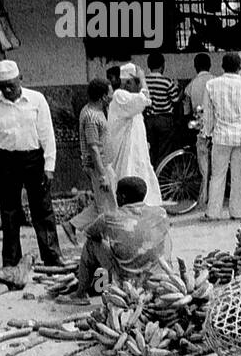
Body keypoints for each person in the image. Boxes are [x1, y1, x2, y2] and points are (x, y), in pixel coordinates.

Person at [0, 60, 63, 268]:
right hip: (6, 161)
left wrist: (49, 167)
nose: (8, 90)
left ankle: (52, 256)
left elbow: (47, 134)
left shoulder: (37, 99)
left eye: (11, 85)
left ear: (20, 79)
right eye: (3, 87)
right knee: (9, 212)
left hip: (34, 159)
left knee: (42, 210)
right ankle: (11, 260)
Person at [67, 176, 171, 300]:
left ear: (122, 197)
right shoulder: (161, 213)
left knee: (91, 244)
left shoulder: (109, 217)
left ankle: (81, 295)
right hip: (157, 277)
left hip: (128, 281)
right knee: (163, 237)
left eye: (117, 195)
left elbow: (90, 234)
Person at [201, 52, 241, 220]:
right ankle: (238, 211)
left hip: (220, 137)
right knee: (238, 176)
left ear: (222, 66)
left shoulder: (211, 85)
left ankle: (213, 212)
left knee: (217, 175)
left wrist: (207, 133)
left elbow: (208, 114)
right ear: (239, 67)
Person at [64, 78, 117, 244]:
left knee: (103, 203)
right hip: (99, 167)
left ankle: (72, 225)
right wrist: (103, 175)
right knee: (108, 207)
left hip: (104, 164)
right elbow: (93, 148)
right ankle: (104, 241)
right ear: (103, 97)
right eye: (110, 93)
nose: (113, 96)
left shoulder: (96, 111)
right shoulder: (92, 117)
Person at [106, 64, 162, 207]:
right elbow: (145, 99)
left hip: (137, 153)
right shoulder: (120, 96)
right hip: (126, 155)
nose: (139, 87)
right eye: (136, 83)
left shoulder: (129, 99)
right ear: (128, 83)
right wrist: (142, 79)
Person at [182, 52, 214, 208]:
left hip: (199, 127)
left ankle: (204, 197)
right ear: (210, 65)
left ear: (195, 67)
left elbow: (186, 111)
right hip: (215, 126)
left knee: (204, 165)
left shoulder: (191, 85)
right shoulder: (215, 80)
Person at [142, 51, 180, 163]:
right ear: (163, 65)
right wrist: (180, 90)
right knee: (165, 149)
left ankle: (152, 169)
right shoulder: (167, 82)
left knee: (151, 148)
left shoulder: (144, 82)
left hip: (149, 120)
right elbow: (175, 100)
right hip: (164, 119)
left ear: (148, 65)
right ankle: (162, 170)